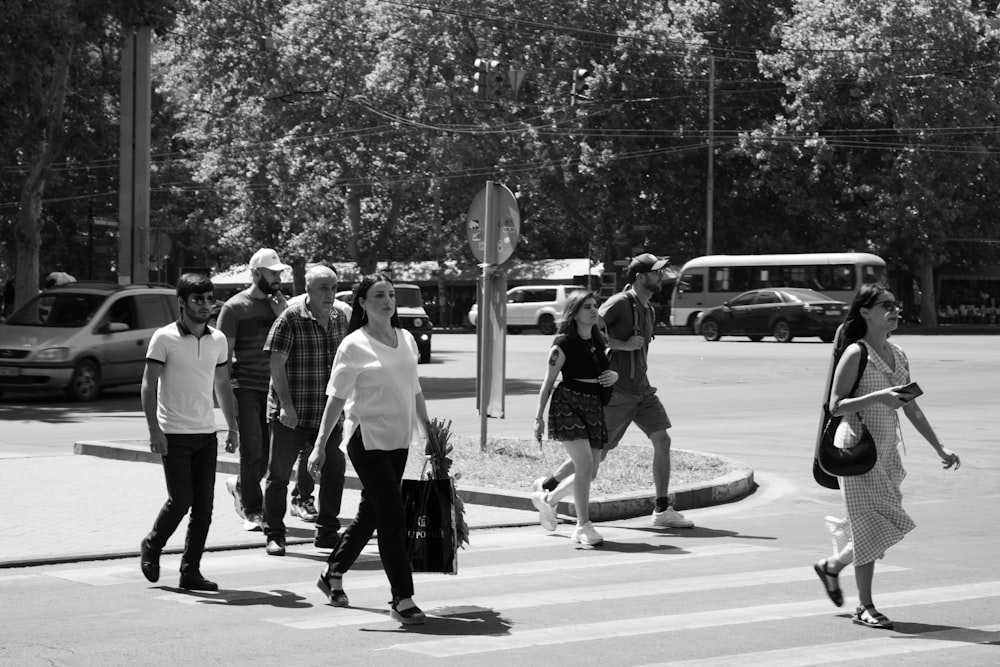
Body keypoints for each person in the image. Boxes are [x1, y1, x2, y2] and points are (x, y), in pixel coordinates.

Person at [812, 282, 961, 629]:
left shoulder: (899, 354)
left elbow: (912, 407)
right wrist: (879, 396)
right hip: (857, 452)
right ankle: (865, 606)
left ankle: (832, 567)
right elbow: (835, 405)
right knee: (868, 527)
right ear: (865, 312)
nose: (895, 311)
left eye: (896, 305)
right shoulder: (856, 353)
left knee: (880, 524)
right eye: (886, 306)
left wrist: (940, 447)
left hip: (887, 454)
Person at [533, 254, 694, 529]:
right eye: (655, 273)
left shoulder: (649, 308)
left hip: (643, 391)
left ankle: (662, 508)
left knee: (662, 441)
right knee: (595, 460)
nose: (661, 277)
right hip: (616, 394)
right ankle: (549, 490)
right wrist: (623, 344)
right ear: (640, 277)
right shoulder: (620, 303)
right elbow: (591, 329)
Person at [307, 273, 430, 625]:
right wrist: (319, 445)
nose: (387, 301)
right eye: (378, 295)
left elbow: (415, 390)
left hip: (399, 439)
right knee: (394, 514)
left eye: (391, 295)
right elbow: (336, 399)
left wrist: (429, 434)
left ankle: (332, 573)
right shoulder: (354, 345)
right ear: (362, 302)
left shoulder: (406, 339)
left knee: (371, 514)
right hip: (366, 439)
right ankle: (401, 598)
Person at [139, 273, 238, 591]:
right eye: (198, 300)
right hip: (174, 433)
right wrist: (154, 430)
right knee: (181, 500)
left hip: (206, 433)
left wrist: (232, 427)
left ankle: (190, 570)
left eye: (210, 299)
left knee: (204, 508)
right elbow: (148, 384)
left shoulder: (218, 340)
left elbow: (222, 384)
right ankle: (152, 545)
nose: (206, 305)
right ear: (181, 303)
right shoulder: (164, 338)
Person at [218, 248, 318, 532]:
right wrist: (223, 394)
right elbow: (224, 356)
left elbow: (293, 344)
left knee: (267, 454)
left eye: (280, 273)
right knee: (252, 450)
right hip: (245, 387)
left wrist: (282, 313)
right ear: (256, 273)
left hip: (274, 389)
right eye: (273, 273)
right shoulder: (234, 307)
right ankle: (252, 510)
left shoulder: (281, 307)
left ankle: (240, 486)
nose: (278, 278)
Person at [261, 265, 348, 556]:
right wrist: (285, 406)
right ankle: (274, 533)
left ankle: (326, 532)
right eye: (324, 288)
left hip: (326, 418)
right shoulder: (290, 319)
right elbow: (276, 365)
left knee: (335, 468)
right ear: (308, 290)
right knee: (279, 476)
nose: (330, 294)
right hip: (292, 416)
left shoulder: (339, 319)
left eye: (334, 288)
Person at [530, 292, 618, 546]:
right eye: (587, 307)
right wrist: (538, 418)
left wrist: (615, 377)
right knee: (585, 464)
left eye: (595, 306)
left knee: (589, 472)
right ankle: (583, 526)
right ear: (574, 312)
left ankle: (548, 499)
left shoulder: (599, 339)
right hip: (567, 403)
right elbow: (547, 383)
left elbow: (606, 372)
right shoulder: (563, 344)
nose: (594, 310)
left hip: (593, 404)